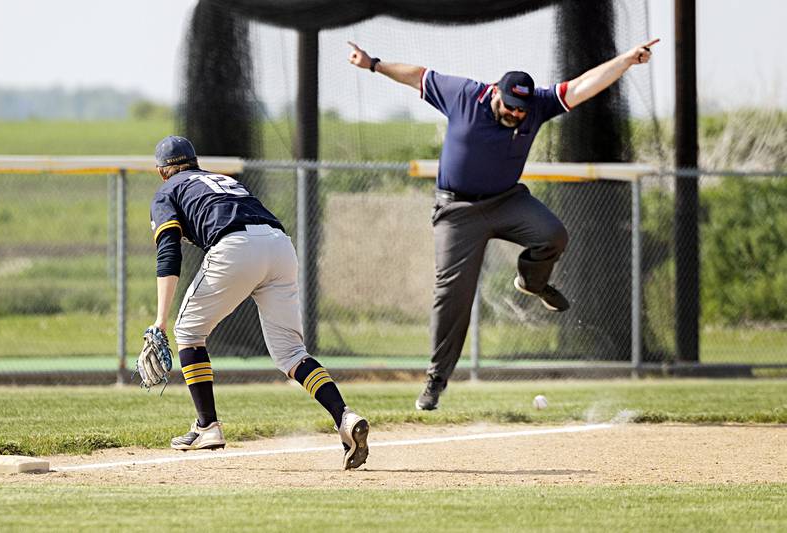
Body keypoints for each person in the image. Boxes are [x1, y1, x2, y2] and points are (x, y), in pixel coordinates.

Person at [347, 38, 659, 410]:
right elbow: (418, 76)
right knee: (452, 294)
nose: (517, 115)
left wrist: (624, 61)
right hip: (457, 211)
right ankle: (436, 380)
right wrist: (373, 64)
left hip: (506, 200)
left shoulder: (535, 106)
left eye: (522, 111)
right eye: (511, 108)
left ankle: (532, 281)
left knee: (553, 235)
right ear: (496, 93)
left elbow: (579, 87)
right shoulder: (464, 95)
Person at [148, 135, 369, 469]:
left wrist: (159, 321)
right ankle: (345, 417)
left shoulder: (168, 190)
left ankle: (207, 426)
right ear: (195, 162)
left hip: (236, 245)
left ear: (162, 171)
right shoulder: (222, 180)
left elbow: (168, 251)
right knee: (292, 354)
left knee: (189, 333)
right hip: (279, 245)